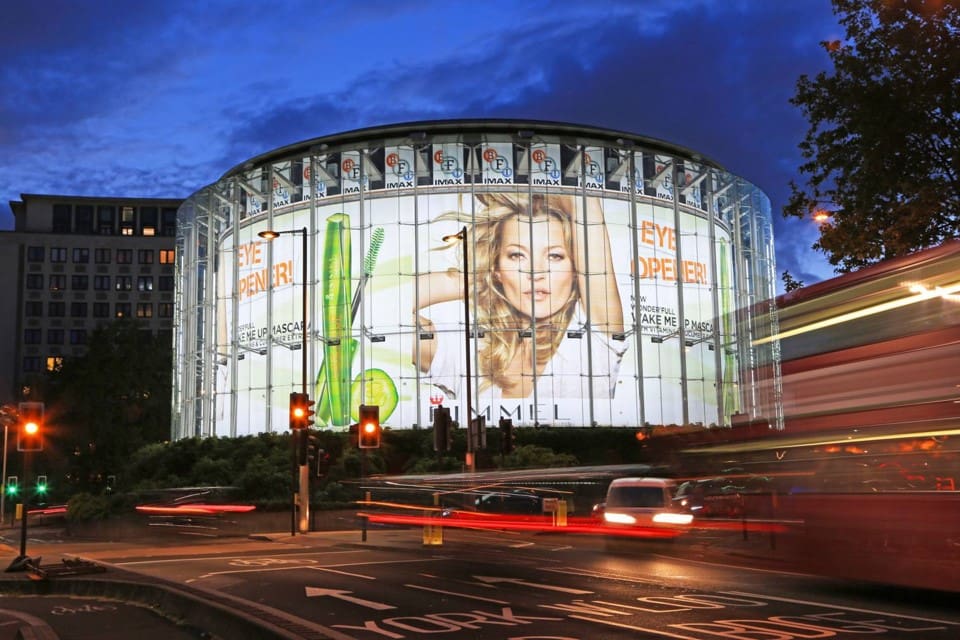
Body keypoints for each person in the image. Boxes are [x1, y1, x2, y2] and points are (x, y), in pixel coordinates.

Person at [413, 192, 624, 400]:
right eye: (517, 255)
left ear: (575, 269)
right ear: (497, 268)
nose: (535, 272)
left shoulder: (594, 344)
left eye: (554, 256)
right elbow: (389, 306)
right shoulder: (463, 353)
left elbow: (583, 200)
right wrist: (483, 279)